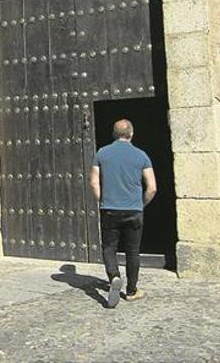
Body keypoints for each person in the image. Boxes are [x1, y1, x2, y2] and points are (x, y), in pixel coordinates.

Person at [89, 119, 156, 308]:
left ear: (113, 133)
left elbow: (94, 182)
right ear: (131, 134)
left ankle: (114, 277)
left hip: (110, 209)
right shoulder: (141, 155)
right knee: (132, 251)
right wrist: (141, 204)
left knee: (109, 247)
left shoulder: (102, 153)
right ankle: (132, 290)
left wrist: (102, 201)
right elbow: (151, 188)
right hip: (134, 210)